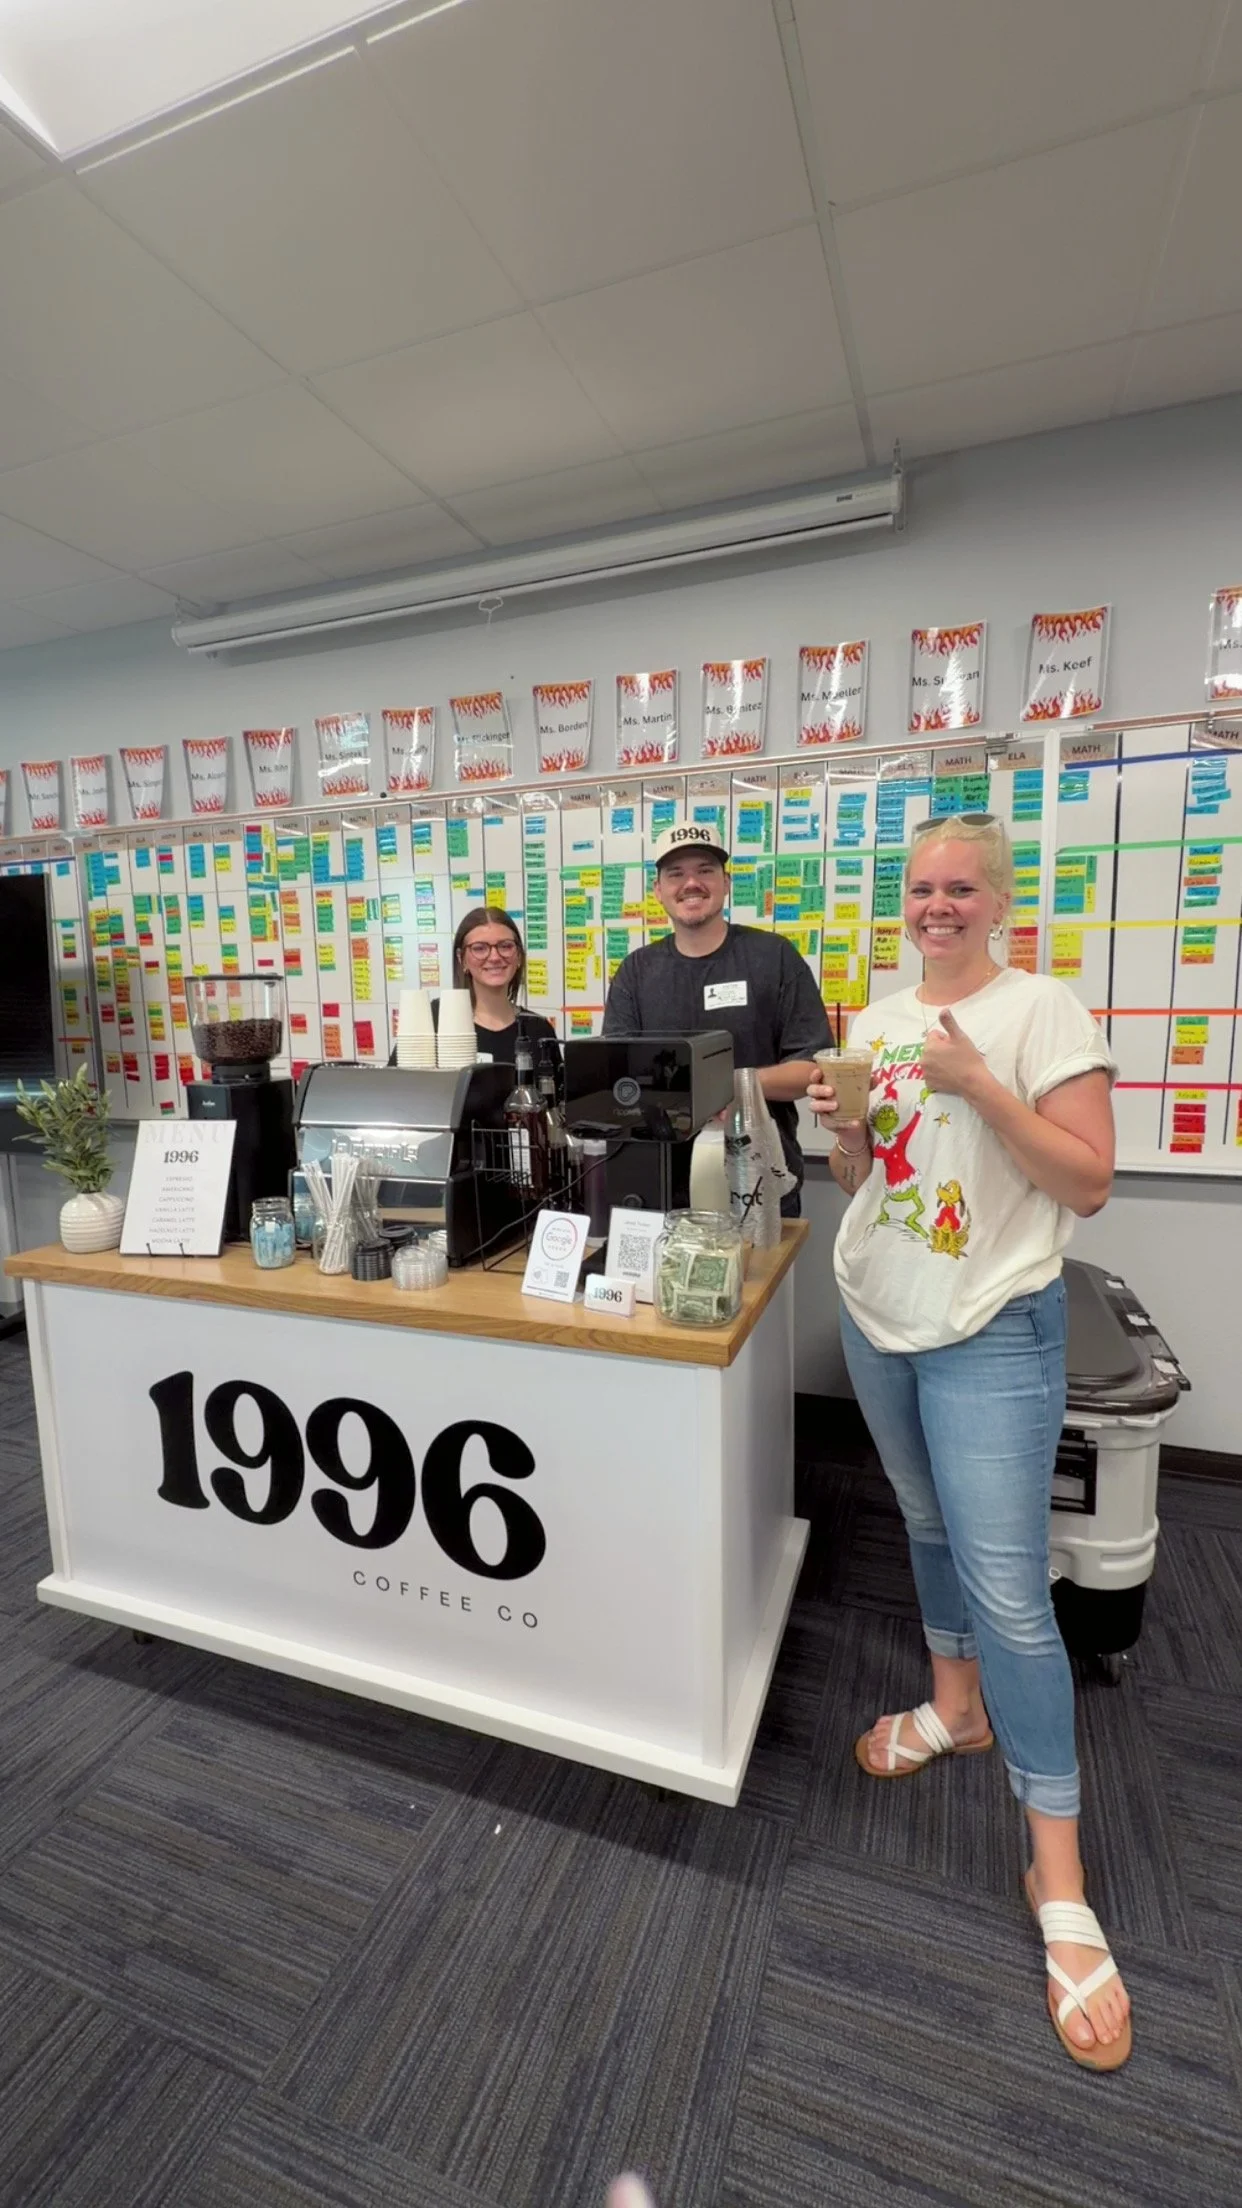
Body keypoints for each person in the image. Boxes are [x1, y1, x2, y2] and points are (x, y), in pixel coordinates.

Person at [808, 811, 1131, 2073]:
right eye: (922, 890)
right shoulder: (881, 1023)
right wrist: (849, 1146)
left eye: (960, 889)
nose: (937, 906)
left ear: (996, 901)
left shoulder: (1039, 1012)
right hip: (879, 1308)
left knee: (1012, 1592)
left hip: (993, 1326)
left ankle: (1060, 1879)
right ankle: (956, 1712)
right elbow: (882, 1175)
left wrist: (981, 1083)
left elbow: (1090, 1182)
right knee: (926, 1522)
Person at [602, 822, 830, 1212]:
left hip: (761, 1188)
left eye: (705, 870)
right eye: (676, 873)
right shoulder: (636, 972)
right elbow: (616, 1081)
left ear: (726, 883)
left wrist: (733, 1086)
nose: (691, 883)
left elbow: (810, 1068)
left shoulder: (774, 957)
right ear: (658, 891)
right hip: (660, 1191)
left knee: (762, 1275)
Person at [392, 906, 560, 1076]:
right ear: (461, 958)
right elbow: (395, 1093)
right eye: (479, 948)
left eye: (505, 946)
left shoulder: (539, 1029)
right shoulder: (431, 1022)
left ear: (519, 956)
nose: (494, 957)